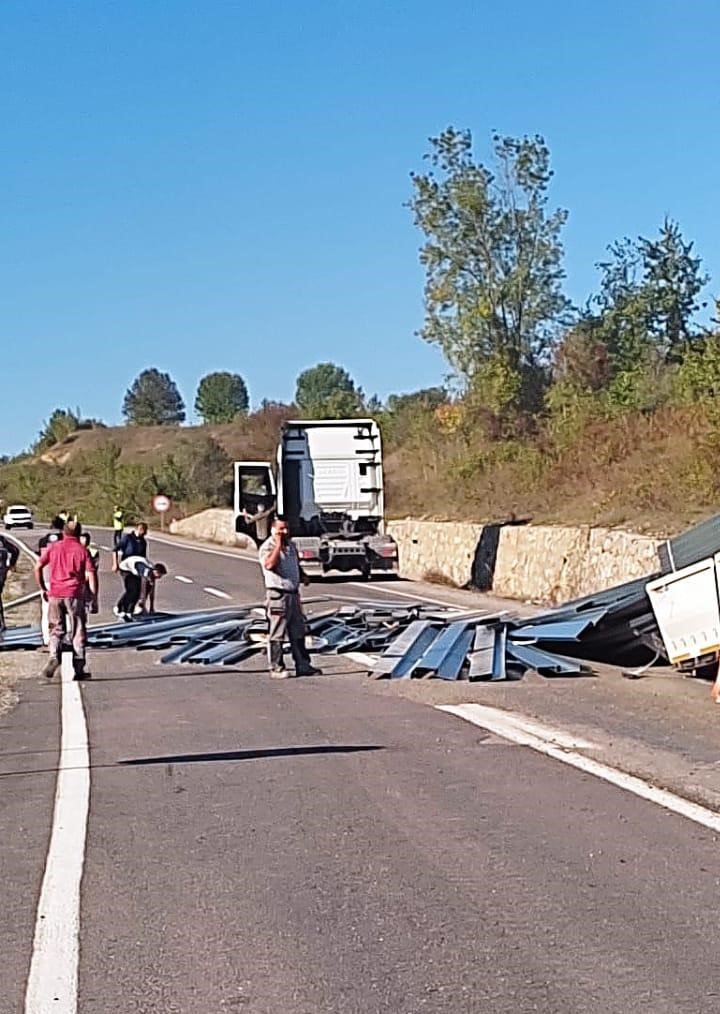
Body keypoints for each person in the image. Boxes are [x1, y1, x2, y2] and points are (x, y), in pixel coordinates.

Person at [34, 520, 97, 680]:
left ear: (63, 532)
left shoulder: (54, 547)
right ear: (79, 533)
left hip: (55, 593)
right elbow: (91, 574)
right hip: (74, 594)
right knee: (78, 631)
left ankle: (54, 655)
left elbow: (38, 566)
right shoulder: (82, 550)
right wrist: (93, 597)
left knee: (55, 628)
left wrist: (43, 587)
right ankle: (79, 668)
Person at [258, 516, 321, 679]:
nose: (285, 532)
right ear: (273, 529)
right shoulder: (268, 547)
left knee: (298, 631)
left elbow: (294, 565)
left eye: (286, 528)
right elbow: (270, 565)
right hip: (278, 595)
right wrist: (278, 544)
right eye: (281, 529)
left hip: (293, 594)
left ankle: (303, 665)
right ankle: (276, 667)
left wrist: (303, 575)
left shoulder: (291, 546)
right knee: (277, 632)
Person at [37, 516, 65, 646]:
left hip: (47, 578)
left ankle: (46, 639)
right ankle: (65, 637)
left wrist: (42, 586)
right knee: (65, 610)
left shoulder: (43, 541)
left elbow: (40, 561)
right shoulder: (65, 540)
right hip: (63, 579)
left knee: (46, 610)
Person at [114, 555, 167, 620]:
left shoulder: (152, 572)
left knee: (142, 589)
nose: (160, 578)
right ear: (156, 572)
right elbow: (143, 590)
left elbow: (151, 591)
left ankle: (130, 609)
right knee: (133, 590)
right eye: (160, 575)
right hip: (126, 568)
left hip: (136, 569)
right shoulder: (145, 571)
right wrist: (143, 606)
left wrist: (151, 607)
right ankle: (123, 610)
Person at [0, 534, 20, 632]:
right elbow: (15, 550)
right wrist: (11, 565)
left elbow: (15, 551)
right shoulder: (1, 539)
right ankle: (1, 624)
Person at [79, 532, 100, 614]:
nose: (84, 541)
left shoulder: (93, 552)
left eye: (86, 539)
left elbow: (93, 570)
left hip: (87, 581)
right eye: (82, 539)